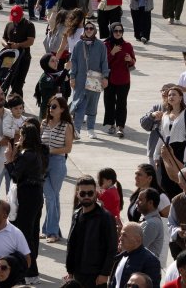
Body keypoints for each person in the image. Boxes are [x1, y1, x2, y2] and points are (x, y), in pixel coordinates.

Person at [66, 175, 119, 288]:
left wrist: (105, 273)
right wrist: (70, 270)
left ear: (95, 193)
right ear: (77, 194)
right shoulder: (77, 214)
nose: (86, 196)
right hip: (77, 272)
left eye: (90, 193)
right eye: (82, 193)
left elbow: (112, 248)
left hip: (96, 275)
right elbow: (72, 243)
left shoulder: (105, 217)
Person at [42, 95, 75, 243]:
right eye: (50, 106)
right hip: (42, 163)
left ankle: (52, 231)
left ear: (62, 109)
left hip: (57, 163)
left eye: (54, 106)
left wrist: (50, 150)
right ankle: (52, 230)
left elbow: (68, 148)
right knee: (51, 197)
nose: (51, 109)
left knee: (52, 197)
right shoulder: (43, 123)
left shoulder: (66, 126)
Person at [110, 222, 162, 288]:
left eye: (124, 235)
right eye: (120, 235)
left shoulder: (150, 261)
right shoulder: (123, 255)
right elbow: (115, 282)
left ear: (138, 239)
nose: (120, 238)